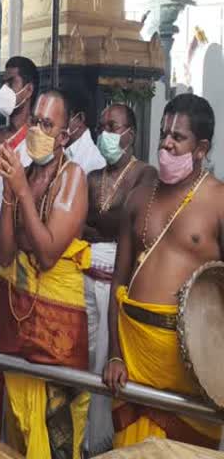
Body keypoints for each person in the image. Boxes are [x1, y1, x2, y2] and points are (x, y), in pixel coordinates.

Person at [103, 94, 224, 450]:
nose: (166, 143)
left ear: (201, 148)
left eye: (178, 137)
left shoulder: (218, 201)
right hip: (133, 357)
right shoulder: (139, 197)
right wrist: (114, 354)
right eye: (163, 133)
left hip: (191, 367)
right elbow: (118, 282)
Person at [0, 89, 90, 458]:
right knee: (19, 429)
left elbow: (48, 253)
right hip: (17, 323)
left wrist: (20, 189)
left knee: (55, 438)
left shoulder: (73, 178)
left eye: (47, 124)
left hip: (55, 334)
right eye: (34, 120)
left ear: (64, 136)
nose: (37, 129)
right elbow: (3, 253)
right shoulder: (24, 173)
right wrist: (7, 191)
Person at [82, 104, 155, 454]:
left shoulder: (145, 174)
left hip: (121, 279)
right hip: (87, 275)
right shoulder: (93, 176)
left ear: (131, 133)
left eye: (112, 126)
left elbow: (124, 222)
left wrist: (100, 226)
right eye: (101, 125)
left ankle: (106, 442)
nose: (104, 132)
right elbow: (81, 223)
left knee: (109, 360)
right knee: (88, 357)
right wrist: (101, 225)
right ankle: (86, 437)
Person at [0, 56, 38, 214]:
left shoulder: (38, 139)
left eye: (11, 83)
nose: (4, 90)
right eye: (3, 83)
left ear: (28, 90)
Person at [62, 84, 106, 175]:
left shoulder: (96, 162)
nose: (58, 122)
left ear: (80, 118)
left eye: (63, 116)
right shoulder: (57, 148)